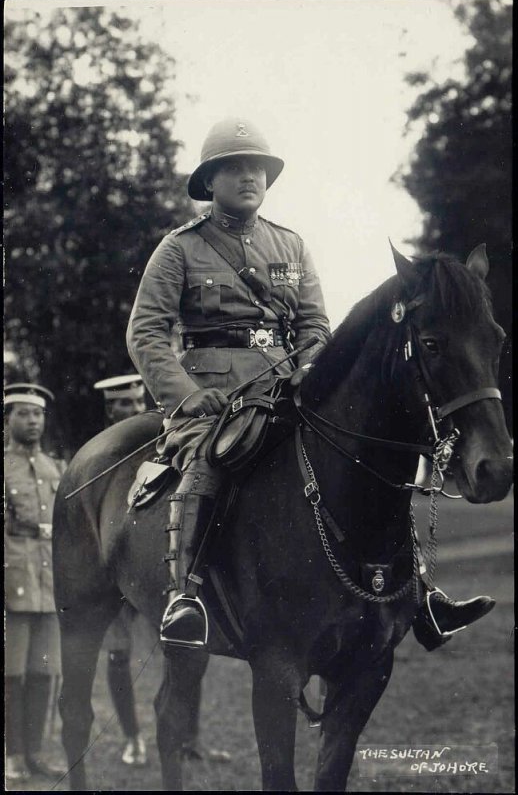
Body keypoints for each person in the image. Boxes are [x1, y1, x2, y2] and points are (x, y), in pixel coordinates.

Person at [126, 116, 494, 653]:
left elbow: (315, 325)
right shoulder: (179, 249)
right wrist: (184, 393)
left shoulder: (290, 246)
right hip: (213, 399)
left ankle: (421, 593)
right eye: (233, 168)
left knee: (364, 464)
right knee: (209, 461)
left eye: (257, 168)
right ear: (209, 181)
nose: (249, 176)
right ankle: (187, 596)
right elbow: (147, 332)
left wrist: (311, 369)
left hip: (286, 389)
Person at [5, 383, 67, 782]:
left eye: (38, 414)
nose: (33, 421)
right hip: (12, 582)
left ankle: (36, 753)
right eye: (24, 413)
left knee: (45, 673)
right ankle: (12, 755)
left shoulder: (55, 468)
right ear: (7, 419)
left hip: (49, 584)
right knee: (11, 674)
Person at [93, 374, 148, 767]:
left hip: (155, 566)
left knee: (188, 648)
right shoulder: (95, 458)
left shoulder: (164, 448)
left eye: (139, 402)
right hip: (110, 573)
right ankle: (132, 737)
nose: (135, 411)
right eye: (125, 405)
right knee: (117, 653)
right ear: (110, 410)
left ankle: (189, 736)